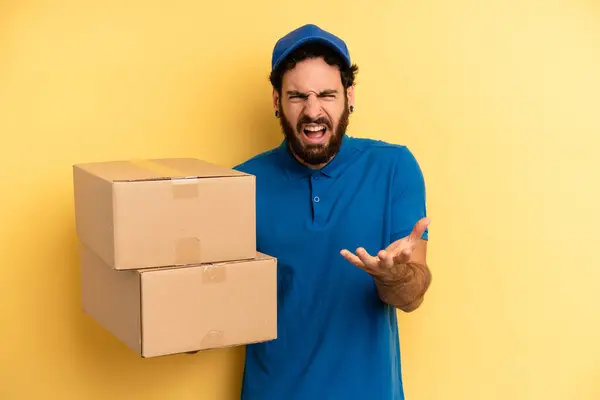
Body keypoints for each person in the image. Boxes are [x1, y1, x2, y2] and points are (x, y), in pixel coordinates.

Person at [234, 23, 432, 400]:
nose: (313, 111)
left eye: (327, 94)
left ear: (349, 96)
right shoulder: (240, 183)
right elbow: (213, 301)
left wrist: (392, 277)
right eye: (296, 97)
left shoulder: (394, 168)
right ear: (276, 100)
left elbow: (412, 296)